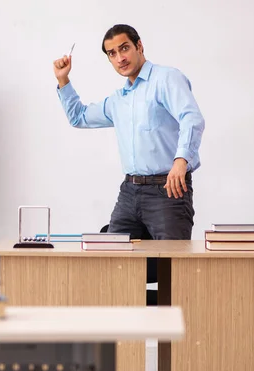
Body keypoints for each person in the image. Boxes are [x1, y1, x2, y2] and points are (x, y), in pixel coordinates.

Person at [53, 24, 205, 283]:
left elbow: (191, 118)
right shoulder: (118, 100)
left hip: (168, 190)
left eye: (124, 48)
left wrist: (181, 160)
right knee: (113, 267)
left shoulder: (166, 79)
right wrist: (63, 80)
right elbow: (79, 117)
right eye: (112, 53)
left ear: (139, 46)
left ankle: (171, 322)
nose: (120, 58)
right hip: (129, 192)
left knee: (173, 274)